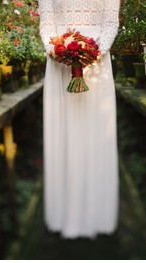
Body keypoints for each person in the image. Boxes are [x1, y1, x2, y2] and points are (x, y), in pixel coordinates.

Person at [39, 0, 120, 239]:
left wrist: (92, 53)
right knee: (64, 133)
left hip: (96, 64)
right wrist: (57, 51)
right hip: (59, 63)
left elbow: (110, 22)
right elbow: (47, 23)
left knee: (95, 133)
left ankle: (98, 213)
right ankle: (62, 213)